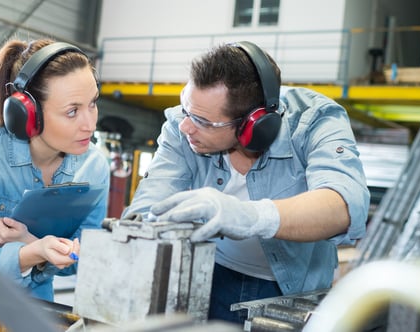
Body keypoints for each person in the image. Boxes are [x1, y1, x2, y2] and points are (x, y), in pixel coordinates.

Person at [122, 41, 369, 324]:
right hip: (209, 274)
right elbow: (151, 200)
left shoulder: (314, 121)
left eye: (202, 121)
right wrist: (132, 233)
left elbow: (344, 206)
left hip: (291, 290)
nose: (185, 126)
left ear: (253, 125)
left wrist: (246, 215)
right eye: (185, 110)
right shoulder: (183, 126)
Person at [0, 38, 110, 331]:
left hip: (30, 312)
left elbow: (83, 260)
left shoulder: (94, 167)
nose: (89, 124)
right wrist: (37, 253)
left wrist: (31, 245)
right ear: (27, 113)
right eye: (72, 111)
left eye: (93, 104)